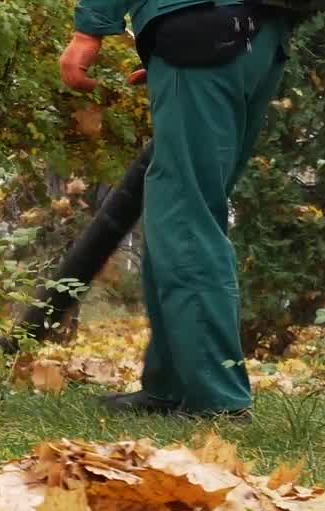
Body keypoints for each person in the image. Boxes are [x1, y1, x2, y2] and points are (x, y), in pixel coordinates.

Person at [59, 0, 292, 418]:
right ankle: (170, 384)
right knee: (186, 210)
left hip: (203, 29)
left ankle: (217, 399)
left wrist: (88, 31)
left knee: (185, 217)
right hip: (256, 39)